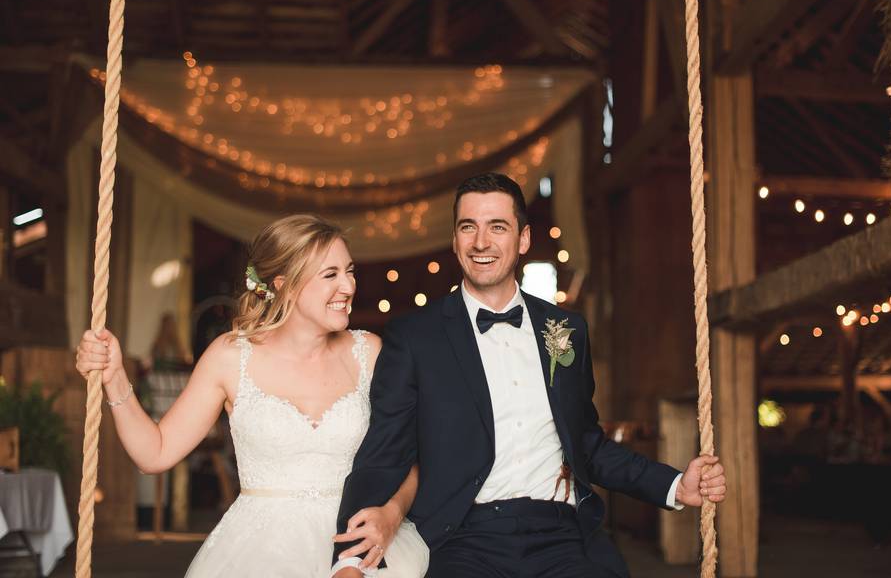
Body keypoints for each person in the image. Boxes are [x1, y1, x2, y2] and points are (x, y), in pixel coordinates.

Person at [333, 173, 726, 578]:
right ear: (455, 240)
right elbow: (383, 455)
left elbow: (586, 442)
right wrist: (348, 561)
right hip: (464, 538)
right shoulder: (414, 337)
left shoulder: (567, 329)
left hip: (561, 534)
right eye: (468, 227)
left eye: (497, 227)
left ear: (523, 239)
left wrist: (676, 485)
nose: (481, 242)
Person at [76, 214, 429, 577]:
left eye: (349, 271)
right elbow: (155, 452)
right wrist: (115, 377)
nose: (348, 286)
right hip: (258, 552)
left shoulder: (369, 353)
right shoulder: (230, 358)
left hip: (358, 545)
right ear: (284, 285)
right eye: (330, 275)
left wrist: (391, 514)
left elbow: (407, 457)